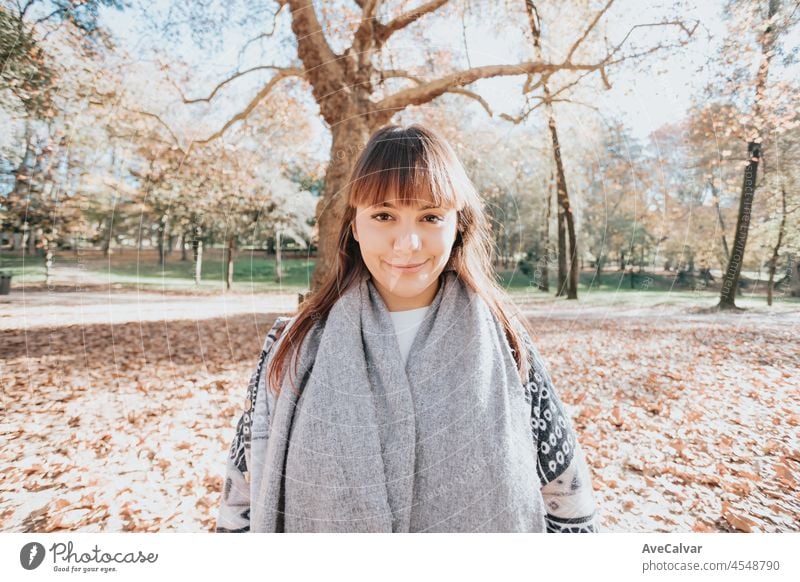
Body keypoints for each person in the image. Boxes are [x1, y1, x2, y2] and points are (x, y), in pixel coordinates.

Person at [216, 124, 600, 533]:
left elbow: (566, 495)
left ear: (458, 226)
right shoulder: (290, 347)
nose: (408, 242)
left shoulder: (506, 343)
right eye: (384, 215)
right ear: (354, 225)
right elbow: (243, 490)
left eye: (431, 216)